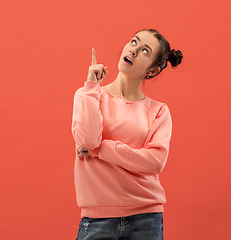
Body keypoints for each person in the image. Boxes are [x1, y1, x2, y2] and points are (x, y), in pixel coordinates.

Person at [71, 28, 183, 240]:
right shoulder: (89, 94)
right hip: (97, 219)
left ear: (151, 71)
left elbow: (154, 162)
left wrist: (101, 149)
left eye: (144, 51)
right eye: (133, 42)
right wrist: (92, 86)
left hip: (146, 218)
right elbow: (86, 140)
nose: (133, 50)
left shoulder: (158, 111)